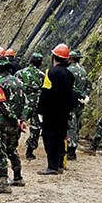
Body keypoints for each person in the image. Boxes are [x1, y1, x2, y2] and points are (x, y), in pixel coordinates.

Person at [0, 56, 29, 194]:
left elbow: (2, 105)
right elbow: (26, 104)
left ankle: (3, 183)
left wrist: (14, 119)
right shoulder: (20, 82)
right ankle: (18, 176)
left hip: (2, 123)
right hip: (15, 125)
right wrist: (22, 120)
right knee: (12, 149)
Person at [36, 43, 75, 174]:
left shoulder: (50, 72)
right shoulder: (70, 75)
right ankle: (59, 165)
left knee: (49, 138)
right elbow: (70, 95)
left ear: (54, 57)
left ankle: (51, 167)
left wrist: (40, 111)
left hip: (51, 112)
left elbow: (45, 92)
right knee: (60, 137)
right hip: (64, 112)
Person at [16, 53, 46, 160]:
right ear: (40, 63)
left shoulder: (20, 73)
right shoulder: (42, 75)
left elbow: (16, 89)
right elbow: (45, 91)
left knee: (18, 125)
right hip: (37, 105)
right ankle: (30, 151)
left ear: (30, 61)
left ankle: (12, 147)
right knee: (35, 128)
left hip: (23, 104)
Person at [66, 50, 91, 159]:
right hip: (80, 102)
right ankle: (73, 147)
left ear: (71, 58)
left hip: (70, 101)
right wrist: (84, 96)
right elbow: (89, 85)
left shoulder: (69, 70)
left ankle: (71, 150)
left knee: (70, 124)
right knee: (76, 124)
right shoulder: (83, 71)